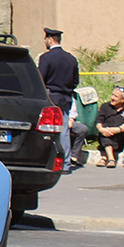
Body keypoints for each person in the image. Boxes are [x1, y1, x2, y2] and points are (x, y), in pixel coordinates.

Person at [38, 27, 80, 173]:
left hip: (50, 96)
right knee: (64, 131)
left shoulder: (46, 58)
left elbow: (40, 79)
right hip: (66, 97)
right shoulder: (71, 59)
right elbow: (75, 81)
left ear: (49, 39)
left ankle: (46, 160)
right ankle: (66, 163)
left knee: (46, 129)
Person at [95, 86, 124, 168]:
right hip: (105, 133)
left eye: (116, 96)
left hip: (120, 135)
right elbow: (98, 121)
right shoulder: (105, 106)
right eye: (112, 95)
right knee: (104, 133)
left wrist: (117, 130)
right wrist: (101, 129)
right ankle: (111, 159)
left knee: (111, 136)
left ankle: (104, 157)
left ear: (123, 100)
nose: (112, 98)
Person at [68, 100, 88, 169]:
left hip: (67, 119)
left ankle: (74, 156)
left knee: (82, 129)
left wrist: (71, 119)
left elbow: (72, 111)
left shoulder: (69, 97)